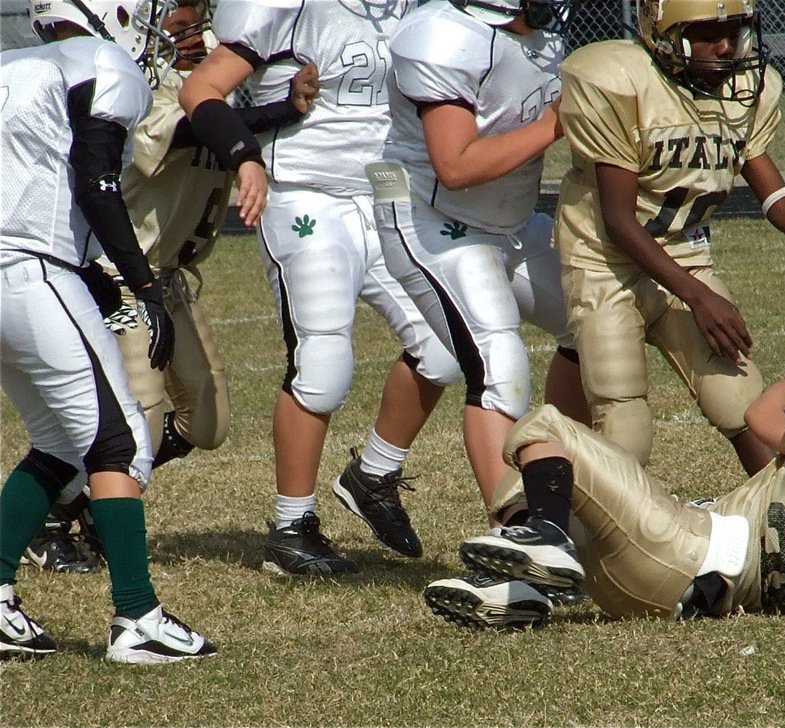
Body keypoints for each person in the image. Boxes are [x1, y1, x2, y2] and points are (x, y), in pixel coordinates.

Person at [21, 0, 320, 575]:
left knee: (206, 424)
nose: (191, 36)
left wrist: (281, 108)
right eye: (176, 27)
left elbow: (213, 118)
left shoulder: (207, 98)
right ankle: (54, 517)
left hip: (169, 277)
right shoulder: (135, 87)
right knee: (136, 427)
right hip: (121, 274)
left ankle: (96, 494)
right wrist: (267, 119)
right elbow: (189, 126)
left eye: (194, 24)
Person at [179, 0, 464, 576]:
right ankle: (291, 528)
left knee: (448, 346)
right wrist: (246, 157)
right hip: (307, 192)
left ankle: (374, 474)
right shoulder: (289, 6)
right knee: (323, 365)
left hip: (387, 189)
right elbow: (200, 90)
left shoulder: (414, 10)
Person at [552, 0, 785, 478]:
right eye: (706, 34)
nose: (725, 46)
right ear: (664, 35)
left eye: (734, 31)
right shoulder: (621, 82)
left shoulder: (741, 92)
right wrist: (698, 296)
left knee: (742, 401)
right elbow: (619, 221)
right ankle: (562, 512)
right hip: (605, 263)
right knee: (625, 425)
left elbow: (776, 196)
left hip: (684, 255)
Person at [1, 0, 215, 662]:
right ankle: (137, 617)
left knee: (60, 443)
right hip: (31, 270)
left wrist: (91, 272)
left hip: (18, 273)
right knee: (119, 445)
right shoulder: (102, 62)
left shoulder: (13, 65)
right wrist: (144, 288)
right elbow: (97, 185)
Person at [422, 397, 785, 629]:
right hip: (667, 598)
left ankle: (546, 538)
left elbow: (762, 412)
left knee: (546, 433)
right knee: (550, 481)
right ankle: (526, 596)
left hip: (676, 542)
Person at [372, 0, 589, 522]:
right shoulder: (445, 35)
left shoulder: (537, 34)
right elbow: (455, 165)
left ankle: (556, 484)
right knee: (499, 366)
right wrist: (553, 124)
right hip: (432, 218)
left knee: (595, 326)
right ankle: (514, 528)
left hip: (511, 220)